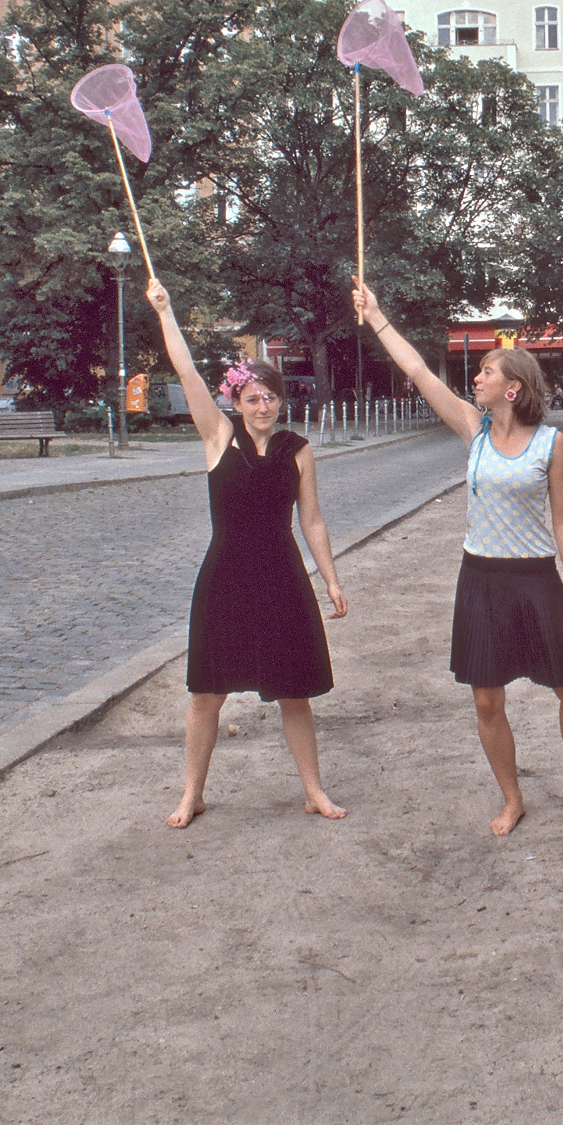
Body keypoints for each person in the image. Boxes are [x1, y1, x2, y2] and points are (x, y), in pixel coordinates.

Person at [351, 278, 563, 835]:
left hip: (537, 580)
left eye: (487, 373)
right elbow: (420, 373)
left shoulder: (551, 444)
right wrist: (377, 316)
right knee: (485, 701)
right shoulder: (471, 431)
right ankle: (511, 797)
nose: (475, 378)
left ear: (514, 388)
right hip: (480, 579)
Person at [146, 279, 348, 830]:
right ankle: (192, 794)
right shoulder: (218, 438)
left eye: (271, 397)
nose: (263, 406)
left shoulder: (298, 450)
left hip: (283, 579)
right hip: (226, 579)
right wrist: (166, 312)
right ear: (235, 402)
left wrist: (330, 580)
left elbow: (312, 520)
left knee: (295, 693)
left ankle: (313, 791)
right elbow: (187, 372)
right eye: (252, 398)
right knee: (206, 694)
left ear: (283, 401)